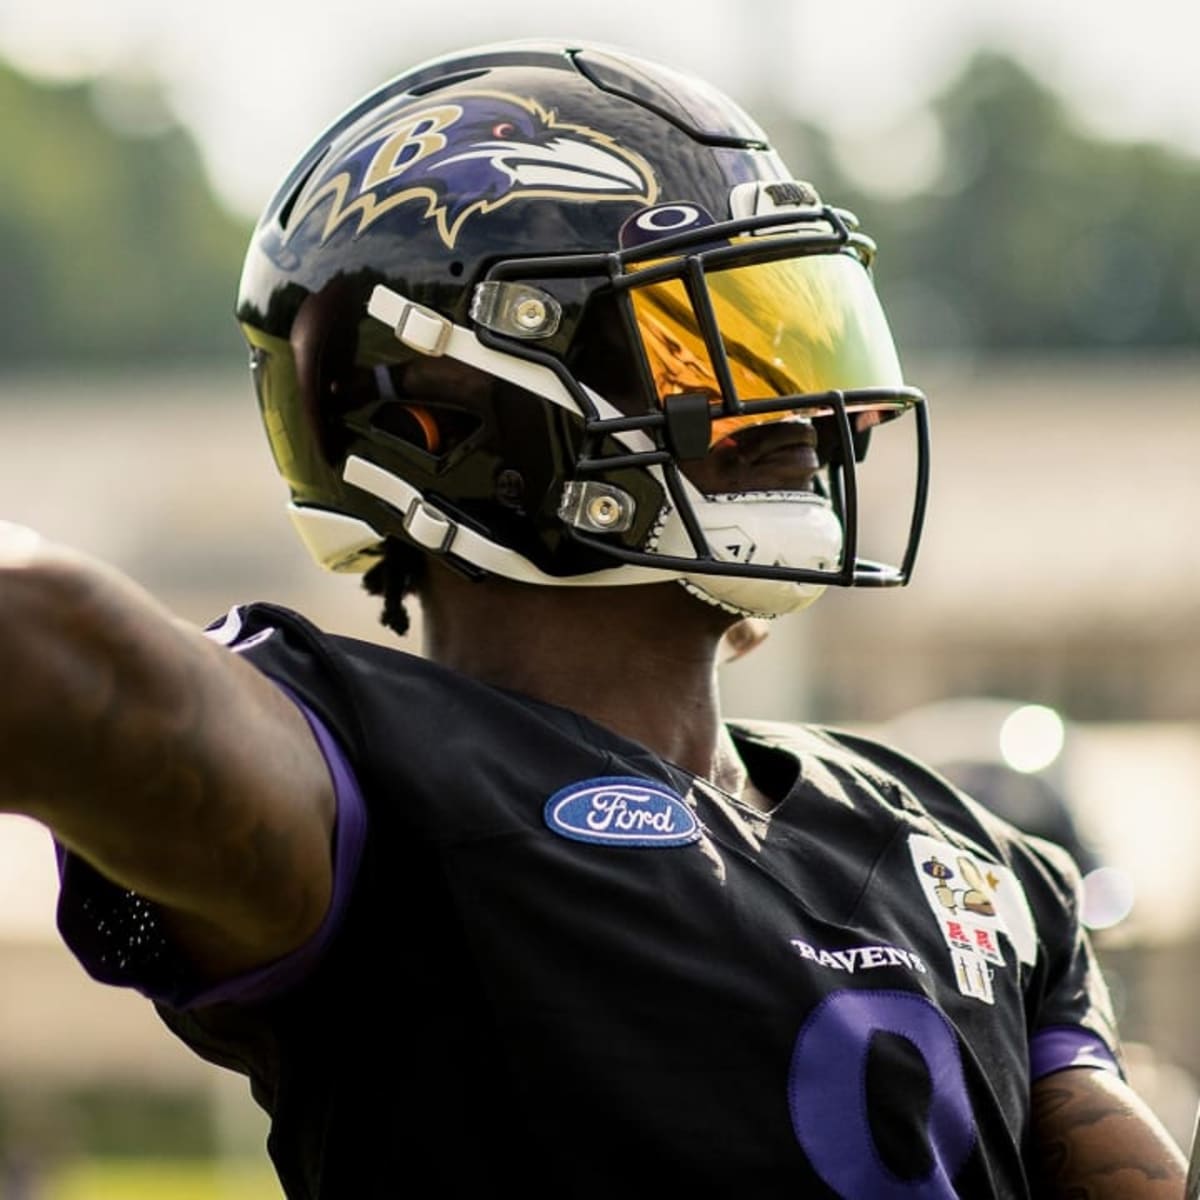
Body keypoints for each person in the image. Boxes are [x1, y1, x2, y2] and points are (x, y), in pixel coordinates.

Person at [0, 39, 1187, 1199]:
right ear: (447, 413)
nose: (814, 413)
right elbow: (44, 645)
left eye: (799, 332)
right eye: (711, 342)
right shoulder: (370, 789)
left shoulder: (973, 850)